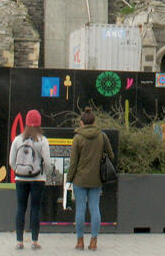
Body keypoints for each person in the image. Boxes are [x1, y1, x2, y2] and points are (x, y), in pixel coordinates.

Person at [67, 107, 114, 251]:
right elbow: (111, 155)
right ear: (94, 122)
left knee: (80, 210)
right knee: (95, 209)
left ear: (81, 123)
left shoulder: (77, 138)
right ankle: (93, 241)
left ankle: (80, 241)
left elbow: (73, 162)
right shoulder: (102, 136)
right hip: (96, 179)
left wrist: (69, 178)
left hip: (80, 180)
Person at [9, 109, 51, 250]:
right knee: (35, 208)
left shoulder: (17, 139)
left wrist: (19, 170)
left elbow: (11, 161)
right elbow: (47, 161)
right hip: (38, 179)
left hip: (20, 179)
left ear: (26, 123)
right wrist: (46, 172)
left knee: (21, 208)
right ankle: (34, 241)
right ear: (39, 124)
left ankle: (19, 241)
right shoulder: (42, 141)